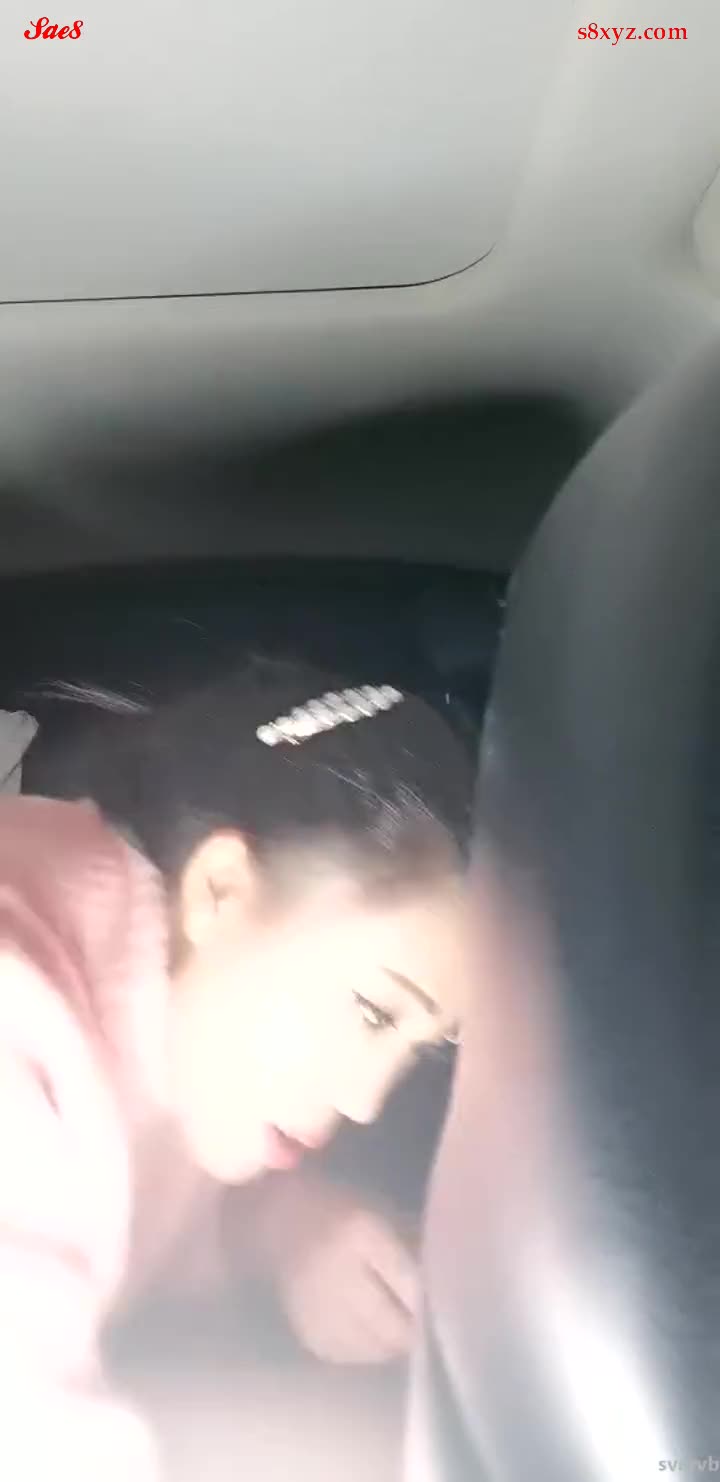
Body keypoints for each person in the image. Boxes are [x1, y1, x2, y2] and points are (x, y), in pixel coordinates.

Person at [0, 659, 474, 1481]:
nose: (366, 1099)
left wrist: (282, 1232)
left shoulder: (179, 1009)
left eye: (418, 1048)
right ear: (220, 890)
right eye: (373, 1012)